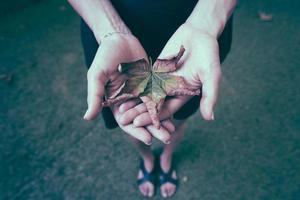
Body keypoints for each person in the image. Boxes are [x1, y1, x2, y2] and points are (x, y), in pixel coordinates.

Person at [68, 0, 237, 198]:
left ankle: (166, 157)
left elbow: (181, 61)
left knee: (177, 117)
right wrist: (112, 30)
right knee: (133, 120)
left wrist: (206, 23)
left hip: (193, 41)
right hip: (111, 35)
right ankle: (147, 158)